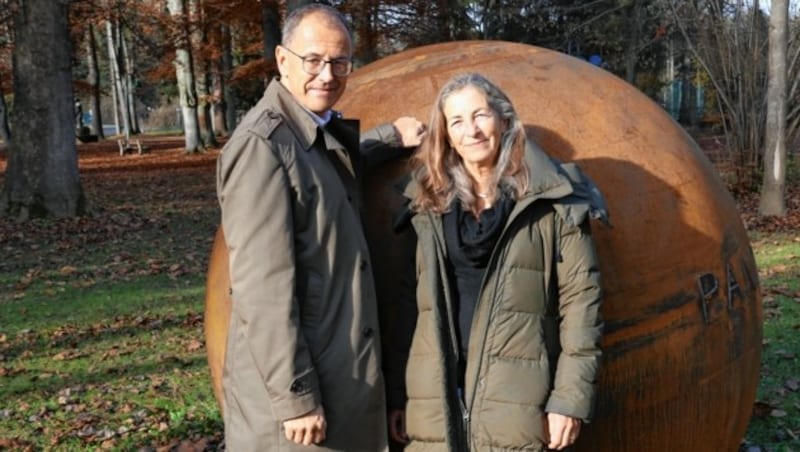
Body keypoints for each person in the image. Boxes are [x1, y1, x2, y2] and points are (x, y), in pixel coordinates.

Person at [216, 4, 425, 451]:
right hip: (297, 398)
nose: (326, 75)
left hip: (336, 370)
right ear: (282, 59)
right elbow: (261, 289)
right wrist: (296, 399)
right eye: (313, 60)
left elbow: (325, 168)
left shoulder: (310, 131)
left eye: (339, 62)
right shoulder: (261, 148)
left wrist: (390, 138)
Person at [387, 73, 607, 451]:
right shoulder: (426, 203)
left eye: (480, 115)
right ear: (446, 134)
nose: (471, 130)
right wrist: (399, 393)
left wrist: (569, 400)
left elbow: (582, 304)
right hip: (435, 401)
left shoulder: (552, 199)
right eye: (456, 121)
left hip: (518, 404)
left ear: (504, 120)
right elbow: (411, 306)